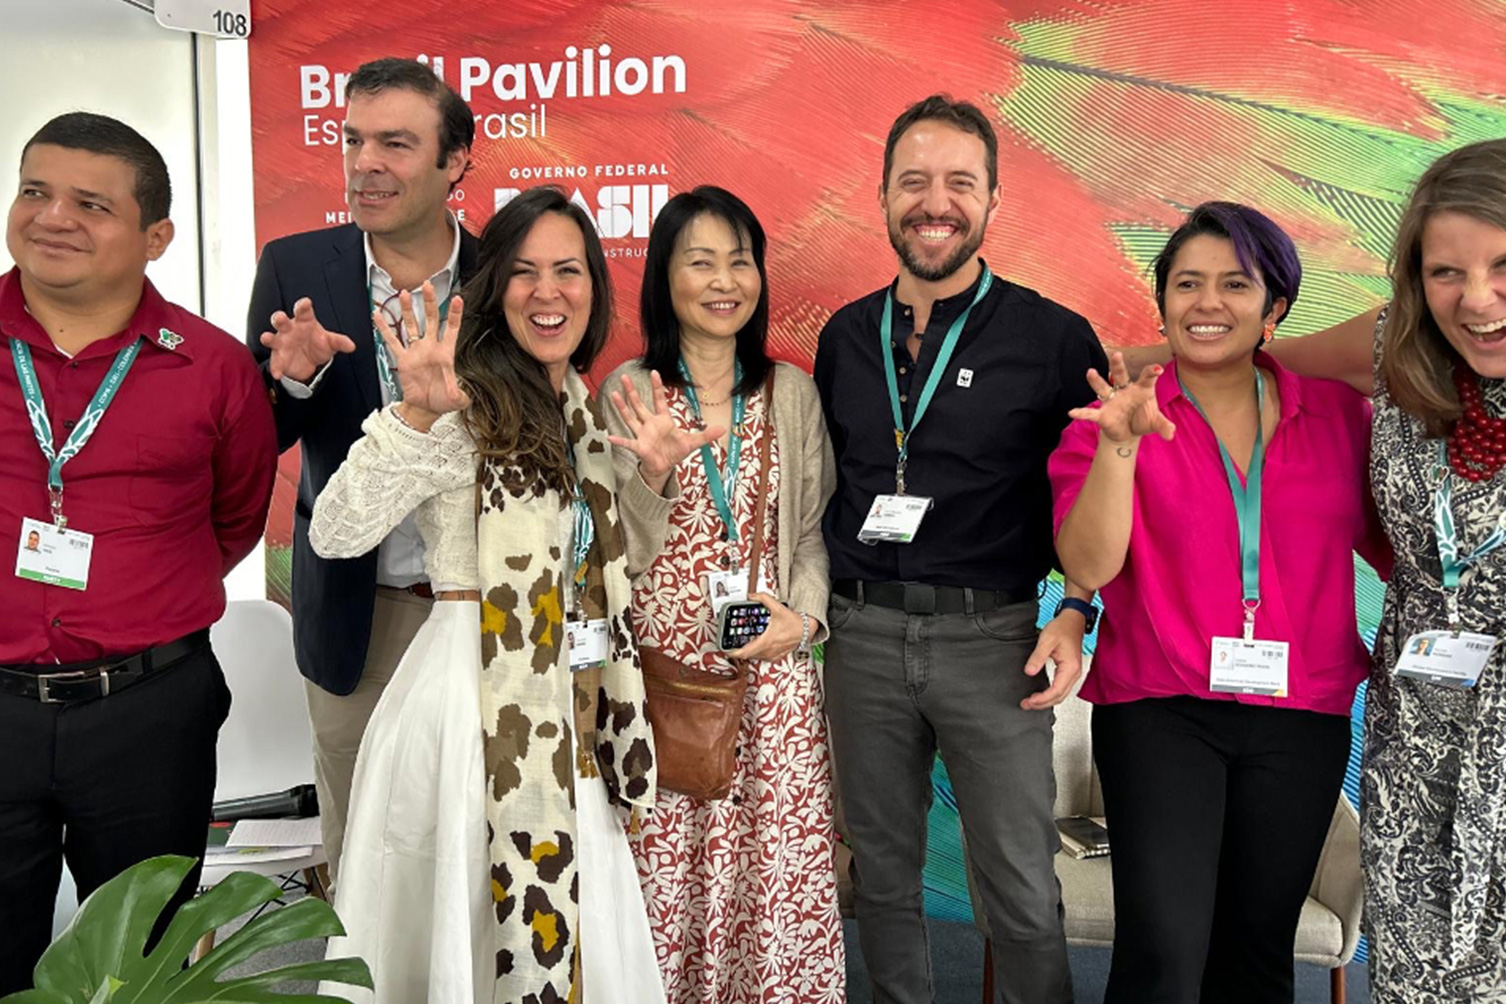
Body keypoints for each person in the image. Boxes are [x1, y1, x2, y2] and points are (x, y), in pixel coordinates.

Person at [311, 185, 697, 1004]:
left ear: (594, 287)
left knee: (566, 925)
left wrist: (653, 478)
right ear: (494, 290)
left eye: (567, 270)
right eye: (523, 272)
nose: (547, 291)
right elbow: (335, 532)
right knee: (464, 931)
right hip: (467, 709)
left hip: (573, 705)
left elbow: (606, 565)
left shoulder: (581, 411)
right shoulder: (465, 403)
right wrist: (412, 415)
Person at [1049, 202, 1389, 1003]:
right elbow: (1088, 564)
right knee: (1164, 952)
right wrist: (1121, 446)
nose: (1207, 303)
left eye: (1236, 285)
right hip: (1160, 708)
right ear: (1161, 301)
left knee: (1257, 955)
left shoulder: (1339, 416)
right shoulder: (1114, 415)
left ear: (1275, 308)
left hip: (1300, 714)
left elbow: (1403, 546)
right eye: (1186, 284)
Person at [813, 94, 1105, 1004]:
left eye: (958, 184)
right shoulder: (843, 338)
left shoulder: (1054, 339)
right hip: (858, 636)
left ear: (992, 200)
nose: (933, 203)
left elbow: (1097, 498)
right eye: (914, 182)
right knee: (883, 881)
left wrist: (1078, 606)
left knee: (1018, 887)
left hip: (996, 641)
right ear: (883, 196)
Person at [0, 112, 276, 992]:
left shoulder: (211, 366)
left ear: (155, 236)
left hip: (148, 710)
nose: (52, 218)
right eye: (35, 191)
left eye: (91, 203)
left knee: (140, 966)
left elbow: (233, 520)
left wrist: (139, 596)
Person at [601, 186, 841, 1003]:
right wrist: (653, 473)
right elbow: (615, 552)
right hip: (664, 676)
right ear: (663, 278)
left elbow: (808, 534)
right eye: (699, 261)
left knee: (766, 881)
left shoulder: (793, 394)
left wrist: (802, 623)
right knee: (662, 881)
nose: (723, 279)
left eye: (739, 260)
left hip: (770, 683)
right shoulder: (630, 393)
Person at [247, 56, 479, 878]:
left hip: (476, 611)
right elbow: (257, 436)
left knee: (469, 844)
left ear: (455, 161)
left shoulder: (504, 281)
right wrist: (296, 378)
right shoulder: (296, 268)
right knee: (361, 850)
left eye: (396, 143)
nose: (365, 163)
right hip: (356, 610)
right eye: (353, 140)